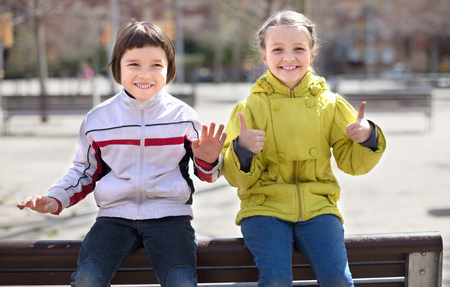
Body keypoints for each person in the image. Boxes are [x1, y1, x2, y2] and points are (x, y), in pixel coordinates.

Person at [17, 19, 227, 287]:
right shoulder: (99, 119)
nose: (145, 74)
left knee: (181, 281)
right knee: (87, 278)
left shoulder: (183, 117)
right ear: (118, 67)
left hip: (170, 216)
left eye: (156, 65)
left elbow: (206, 175)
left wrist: (208, 160)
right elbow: (84, 171)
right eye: (134, 64)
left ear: (168, 69)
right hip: (114, 218)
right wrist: (54, 198)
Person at [221, 11, 386, 287]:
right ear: (263, 56)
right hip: (264, 208)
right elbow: (236, 177)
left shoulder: (330, 104)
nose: (289, 57)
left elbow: (352, 164)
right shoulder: (249, 109)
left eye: (299, 48)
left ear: (312, 53)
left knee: (338, 277)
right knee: (275, 278)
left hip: (319, 206)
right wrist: (242, 151)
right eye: (277, 50)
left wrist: (368, 136)